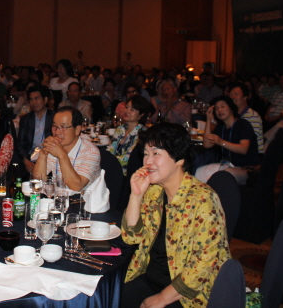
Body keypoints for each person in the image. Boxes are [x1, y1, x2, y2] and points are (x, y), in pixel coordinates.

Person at [121, 123, 230, 308]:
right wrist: (136, 195)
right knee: (109, 298)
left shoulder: (203, 199)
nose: (148, 161)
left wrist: (162, 299)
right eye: (146, 154)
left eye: (156, 153)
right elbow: (131, 237)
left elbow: (204, 263)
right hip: (151, 278)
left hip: (188, 293)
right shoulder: (153, 192)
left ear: (179, 159)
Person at [33, 106, 101, 193]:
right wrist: (43, 154)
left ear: (77, 130)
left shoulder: (91, 151)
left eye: (63, 127)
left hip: (85, 199)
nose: (57, 132)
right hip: (60, 197)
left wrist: (62, 155)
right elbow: (38, 182)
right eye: (54, 126)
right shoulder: (53, 146)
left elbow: (76, 187)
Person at [195, 95, 259, 184]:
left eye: (222, 106)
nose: (219, 110)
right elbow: (207, 144)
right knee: (199, 173)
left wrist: (221, 142)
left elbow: (243, 149)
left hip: (245, 168)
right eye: (216, 108)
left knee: (221, 177)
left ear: (231, 108)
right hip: (227, 165)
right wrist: (208, 120)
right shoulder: (221, 127)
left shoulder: (243, 124)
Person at [108, 95, 151, 174]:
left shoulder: (142, 132)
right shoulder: (120, 129)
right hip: (113, 169)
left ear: (141, 115)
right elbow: (110, 150)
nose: (127, 111)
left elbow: (128, 158)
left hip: (129, 173)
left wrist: (108, 160)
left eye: (132, 109)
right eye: (127, 107)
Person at [16, 85, 54, 176]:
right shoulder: (26, 119)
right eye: (31, 99)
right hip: (31, 157)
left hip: (50, 157)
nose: (34, 102)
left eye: (37, 98)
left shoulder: (54, 116)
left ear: (45, 100)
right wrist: (26, 161)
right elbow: (20, 144)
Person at [229, 83, 265, 154]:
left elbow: (251, 142)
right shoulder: (232, 115)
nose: (233, 97)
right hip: (238, 151)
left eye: (236, 94)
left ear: (245, 97)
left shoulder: (252, 116)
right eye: (231, 95)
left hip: (252, 154)